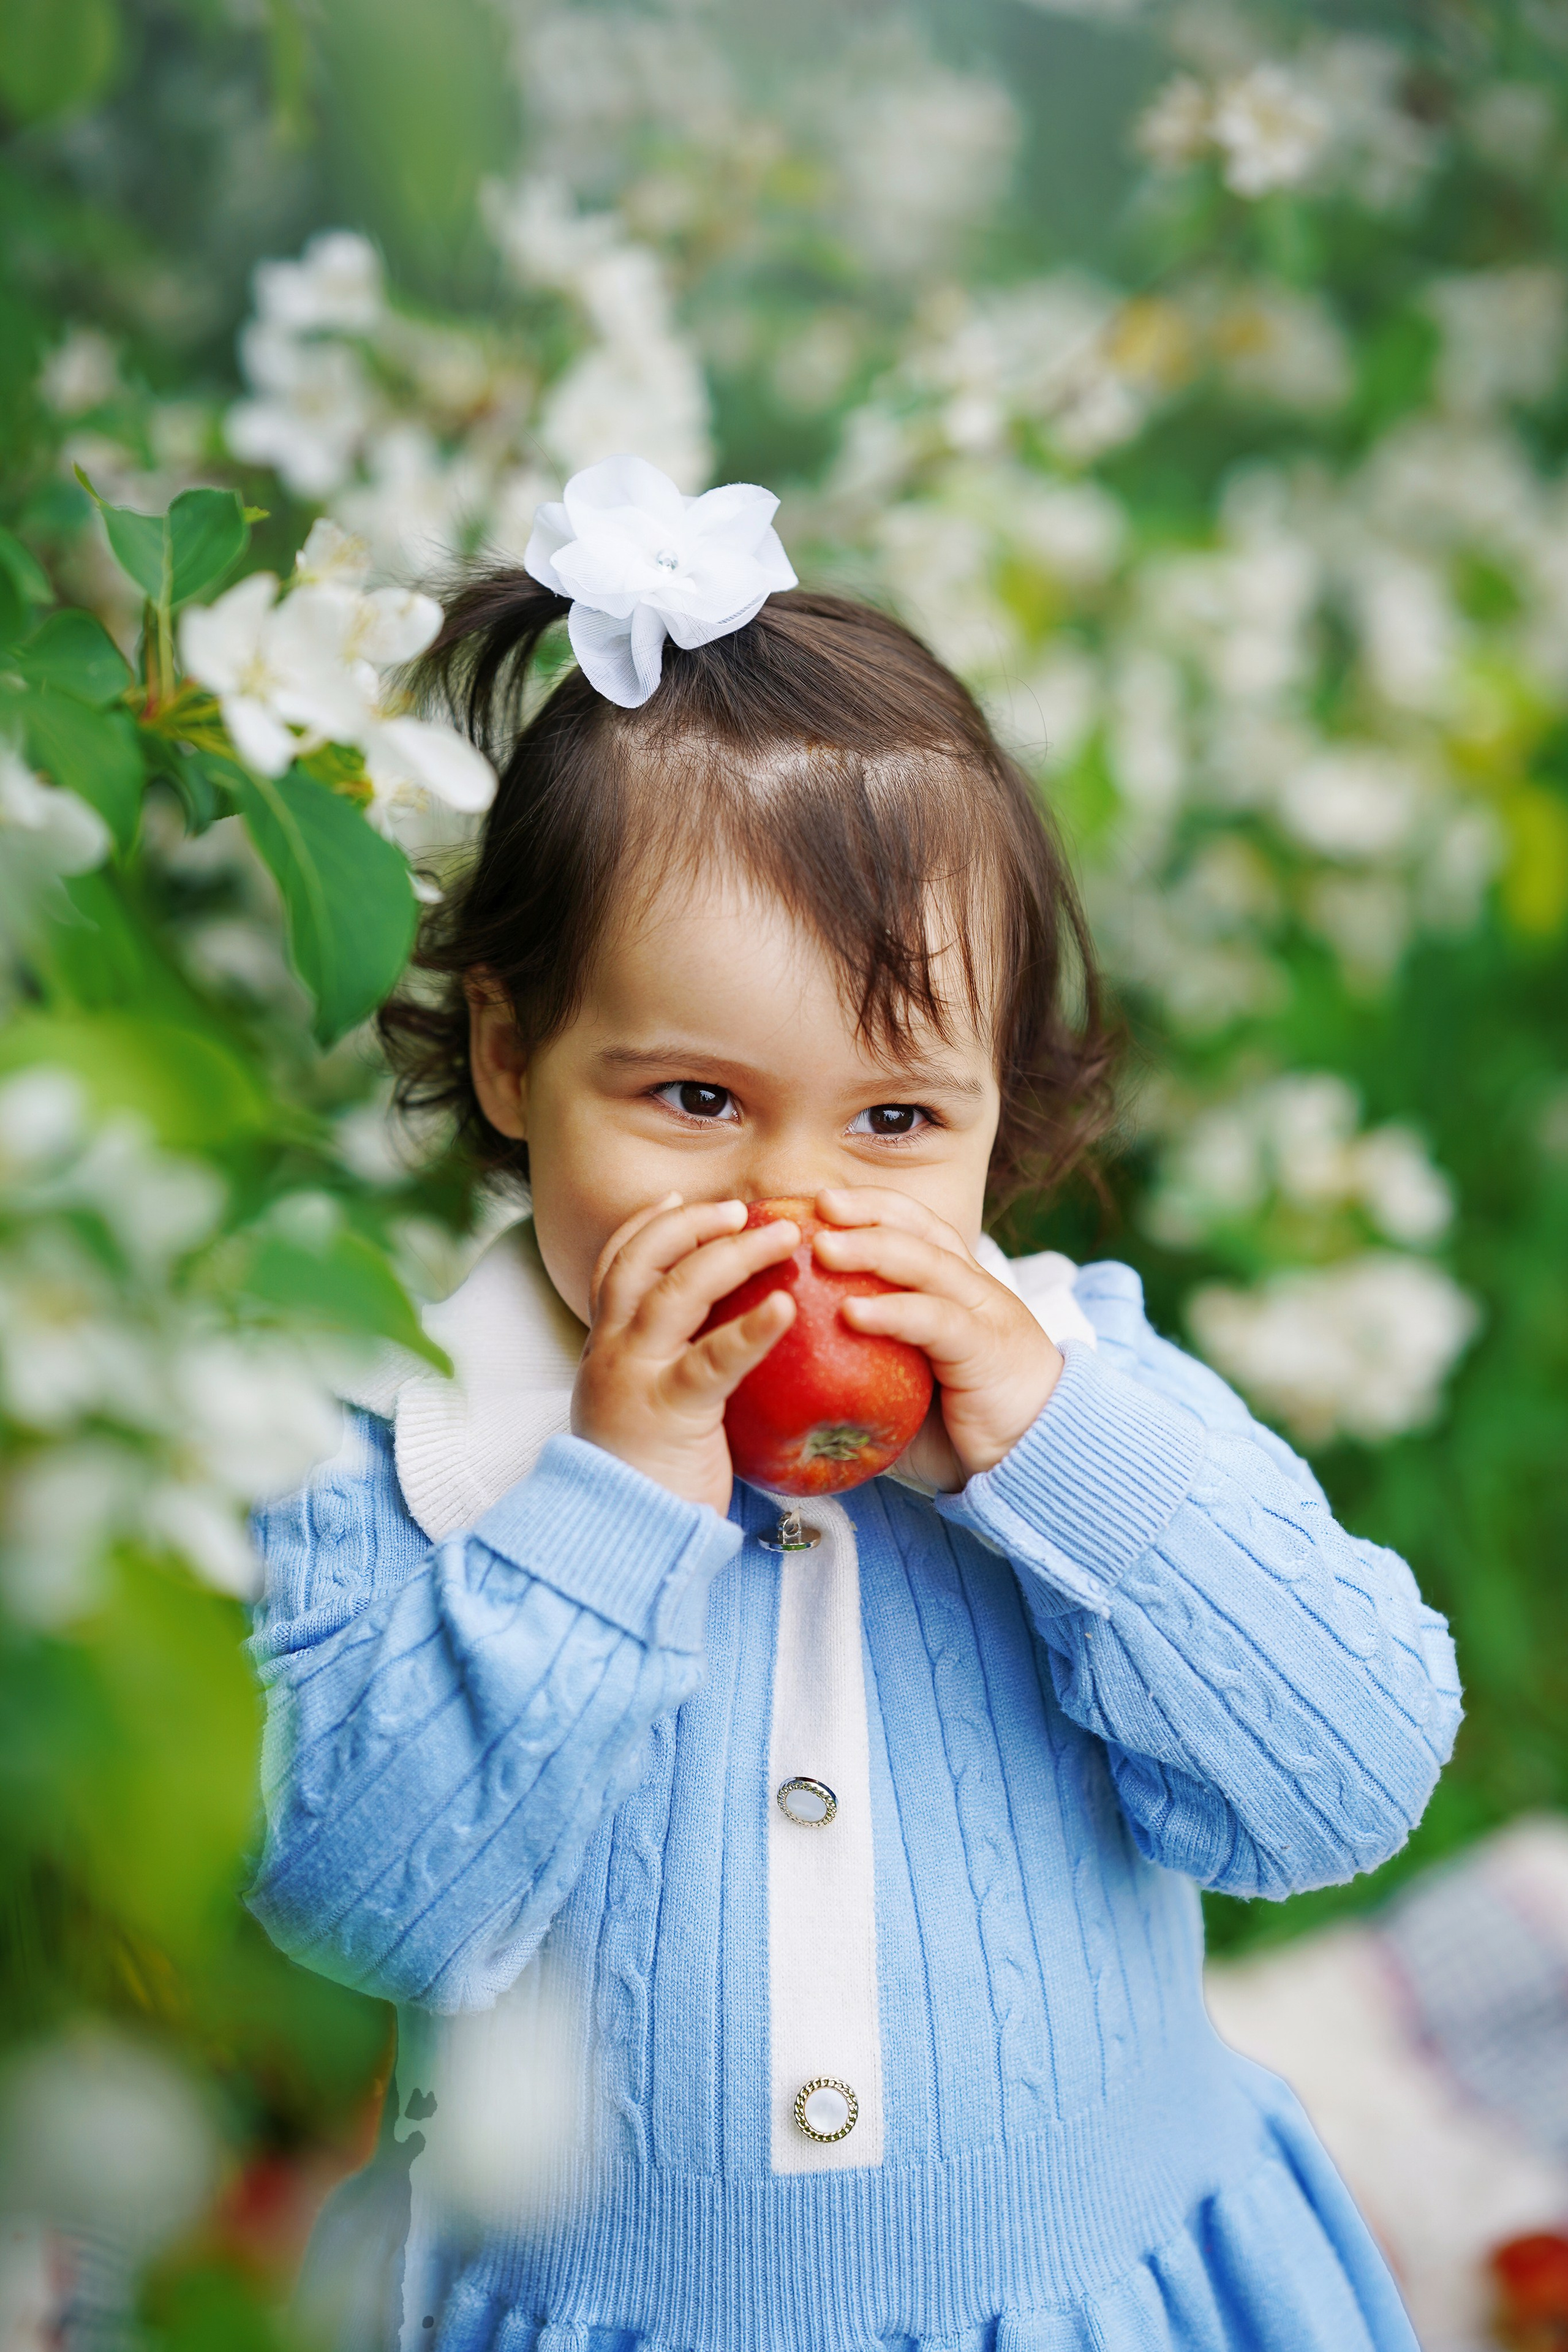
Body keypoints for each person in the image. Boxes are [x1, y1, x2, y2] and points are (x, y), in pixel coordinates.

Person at [249, 454, 1461, 2352]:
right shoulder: (413, 1443)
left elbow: (1342, 1787)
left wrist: (1057, 1455)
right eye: (696, 1102)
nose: (797, 1203)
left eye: (896, 1119)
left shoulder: (1086, 1396)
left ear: (993, 1100)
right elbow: (359, 1900)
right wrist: (610, 1501)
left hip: (1100, 2302)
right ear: (508, 1052)